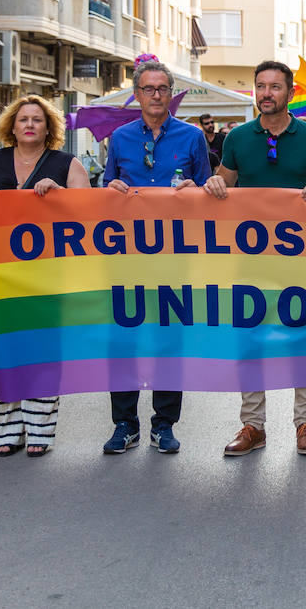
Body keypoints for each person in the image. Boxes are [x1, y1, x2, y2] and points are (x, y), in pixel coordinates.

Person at [210, 60, 306, 457]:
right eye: (260, 86)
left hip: (301, 257)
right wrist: (214, 182)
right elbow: (224, 185)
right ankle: (253, 425)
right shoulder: (237, 138)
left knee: (302, 336)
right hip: (251, 257)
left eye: (274, 86)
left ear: (290, 92)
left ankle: (305, 424)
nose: (266, 93)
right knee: (251, 338)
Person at [100, 56, 214, 456]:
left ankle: (164, 423)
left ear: (171, 94)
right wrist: (110, 188)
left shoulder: (192, 137)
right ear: (137, 94)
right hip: (127, 253)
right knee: (124, 337)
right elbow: (107, 185)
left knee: (169, 338)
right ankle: (124, 424)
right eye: (148, 89)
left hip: (174, 253)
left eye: (163, 88)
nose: (156, 95)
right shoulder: (119, 138)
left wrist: (194, 190)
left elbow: (208, 191)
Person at [0, 95, 90, 457]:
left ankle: (40, 429)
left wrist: (60, 195)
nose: (29, 125)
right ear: (11, 125)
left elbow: (90, 213)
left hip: (48, 273)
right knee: (3, 347)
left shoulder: (66, 164)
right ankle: (7, 431)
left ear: (48, 127)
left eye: (37, 119)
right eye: (23, 119)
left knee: (41, 348)